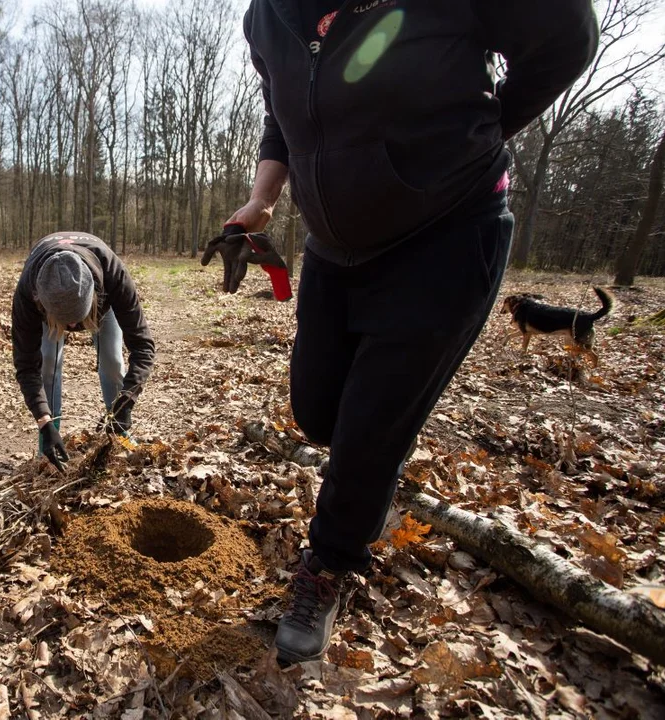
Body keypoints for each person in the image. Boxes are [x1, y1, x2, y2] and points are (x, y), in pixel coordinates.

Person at [219, 1, 599, 666]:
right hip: (335, 249)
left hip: (447, 234)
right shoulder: (269, 15)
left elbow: (567, 39)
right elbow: (283, 107)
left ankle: (331, 564)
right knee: (316, 411)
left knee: (370, 431)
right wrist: (265, 195)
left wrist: (470, 138)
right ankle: (367, 465)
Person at [12, 232, 156, 471]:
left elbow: (143, 347)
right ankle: (50, 434)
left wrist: (126, 401)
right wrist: (43, 421)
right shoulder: (29, 292)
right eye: (64, 321)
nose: (71, 328)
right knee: (47, 362)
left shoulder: (113, 275)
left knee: (112, 360)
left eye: (75, 319)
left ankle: (118, 427)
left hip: (102, 305)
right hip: (48, 305)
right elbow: (26, 365)